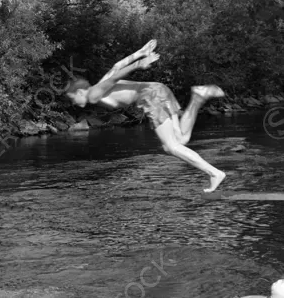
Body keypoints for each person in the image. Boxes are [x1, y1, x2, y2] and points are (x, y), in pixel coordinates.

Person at [64, 40, 227, 192]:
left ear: (79, 92)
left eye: (72, 98)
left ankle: (214, 173)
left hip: (151, 96)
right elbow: (116, 66)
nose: (74, 103)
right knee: (180, 140)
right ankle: (197, 98)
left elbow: (115, 76)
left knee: (170, 146)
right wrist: (140, 52)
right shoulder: (99, 86)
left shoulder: (92, 94)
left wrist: (139, 64)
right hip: (159, 89)